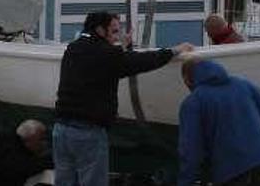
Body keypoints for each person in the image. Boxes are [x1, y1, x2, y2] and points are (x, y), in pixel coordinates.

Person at [53, 11, 194, 186]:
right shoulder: (107, 55)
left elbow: (106, 64)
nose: (116, 37)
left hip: (61, 131)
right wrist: (174, 51)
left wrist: (121, 49)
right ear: (99, 30)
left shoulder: (73, 48)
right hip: (88, 133)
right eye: (113, 32)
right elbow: (141, 61)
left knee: (64, 181)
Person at [178, 59, 260, 186]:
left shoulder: (194, 101)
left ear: (187, 79)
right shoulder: (243, 84)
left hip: (231, 171)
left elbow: (190, 150)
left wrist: (186, 181)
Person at [0, 120, 53, 186]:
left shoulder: (7, 144)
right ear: (29, 139)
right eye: (41, 139)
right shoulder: (10, 153)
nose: (44, 144)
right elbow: (27, 167)